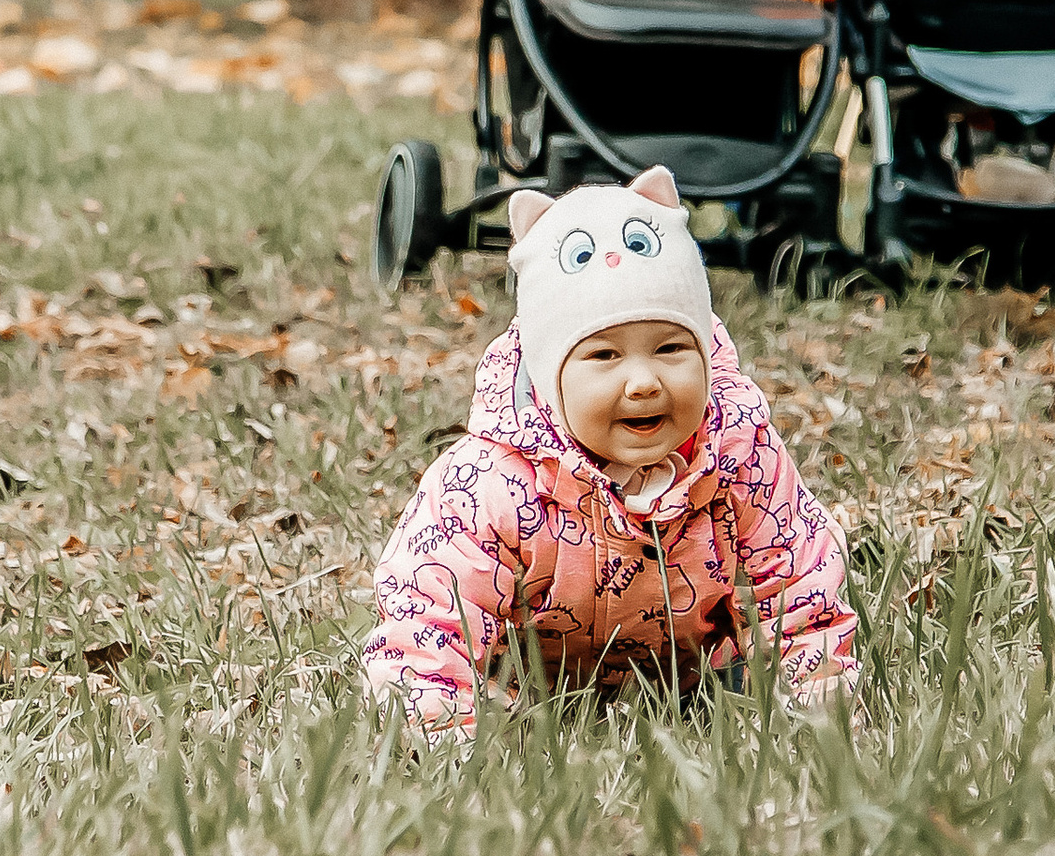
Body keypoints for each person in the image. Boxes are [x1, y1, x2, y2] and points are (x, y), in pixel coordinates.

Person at [361, 169, 855, 733]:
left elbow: (798, 580)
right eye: (603, 357)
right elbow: (428, 611)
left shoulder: (739, 455)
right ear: (550, 377)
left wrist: (818, 711)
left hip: (691, 676)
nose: (643, 381)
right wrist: (444, 731)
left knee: (758, 670)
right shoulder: (488, 483)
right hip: (524, 683)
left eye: (671, 348)